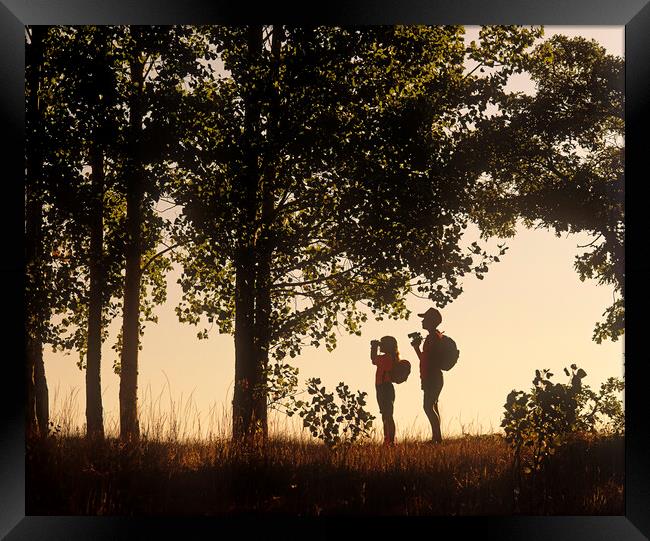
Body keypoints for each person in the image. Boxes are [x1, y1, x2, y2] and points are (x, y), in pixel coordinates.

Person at [411, 307, 444, 443]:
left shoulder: (433, 338)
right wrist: (416, 348)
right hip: (431, 377)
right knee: (433, 406)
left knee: (428, 406)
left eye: (425, 319)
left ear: (431, 321)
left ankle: (437, 438)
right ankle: (437, 437)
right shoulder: (432, 337)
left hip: (432, 377)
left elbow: (429, 360)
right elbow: (425, 359)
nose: (422, 321)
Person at [371, 335, 399, 446]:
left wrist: (373, 347)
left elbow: (373, 359)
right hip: (382, 387)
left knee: (388, 415)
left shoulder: (387, 357)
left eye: (383, 343)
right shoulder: (389, 357)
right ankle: (387, 440)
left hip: (384, 388)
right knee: (385, 415)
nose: (380, 345)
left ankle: (390, 441)